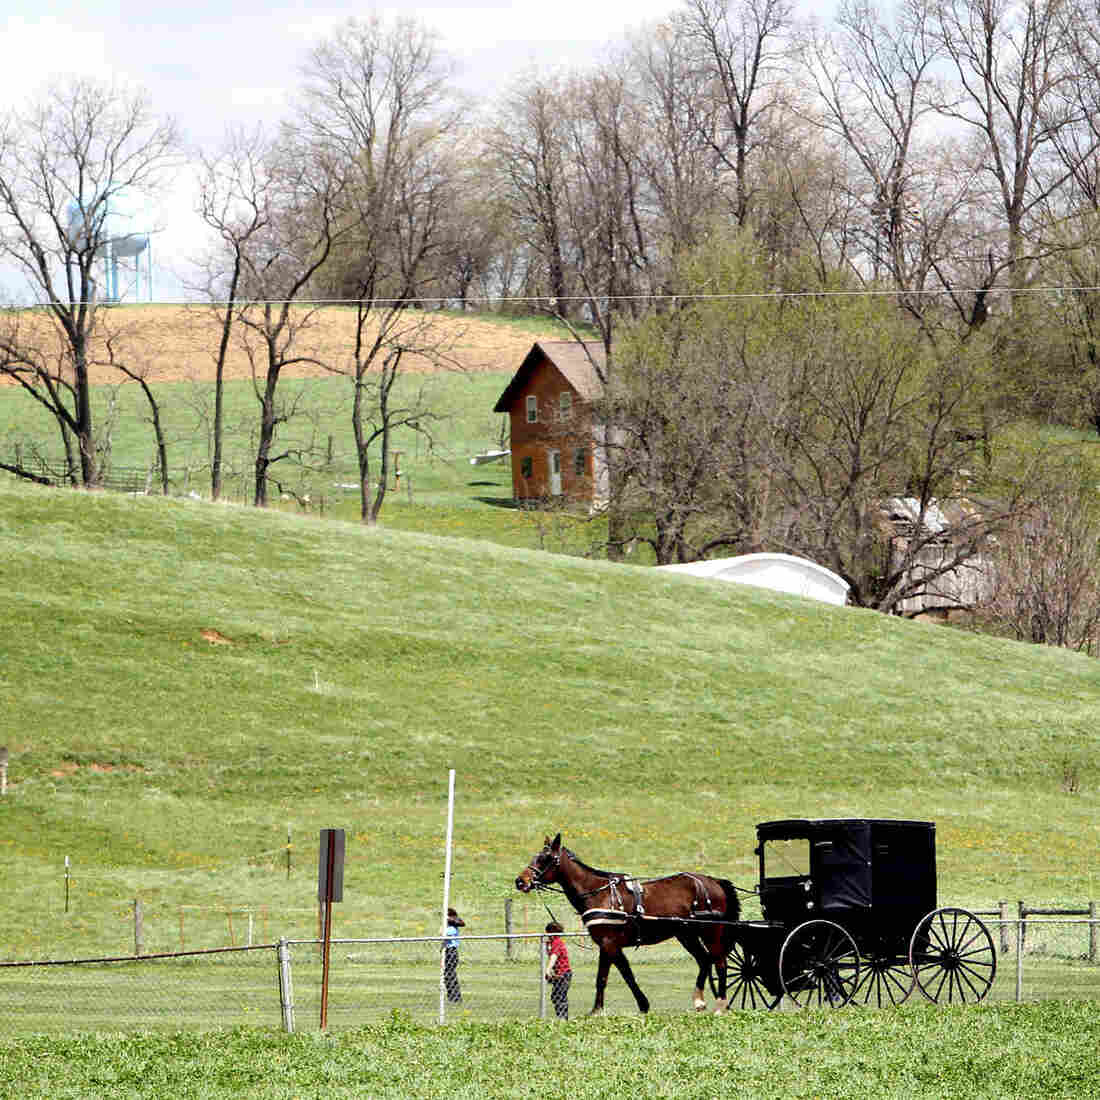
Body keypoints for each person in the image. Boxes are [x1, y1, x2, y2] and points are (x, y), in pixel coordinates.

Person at [544, 921, 572, 1019]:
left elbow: (554, 956)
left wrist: (548, 970)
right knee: (556, 996)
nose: (547, 935)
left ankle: (563, 1018)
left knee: (560, 996)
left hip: (564, 974)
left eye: (548, 933)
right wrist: (547, 946)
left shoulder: (557, 942)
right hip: (559, 973)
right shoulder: (553, 942)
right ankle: (562, 1017)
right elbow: (550, 953)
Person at [444, 907, 464, 1004]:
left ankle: (455, 997)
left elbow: (442, 934)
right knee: (448, 974)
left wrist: (446, 921)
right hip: (448, 951)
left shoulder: (451, 929)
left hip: (451, 952)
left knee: (450, 974)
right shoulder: (449, 928)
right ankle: (452, 996)